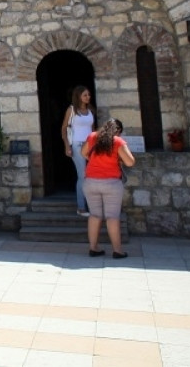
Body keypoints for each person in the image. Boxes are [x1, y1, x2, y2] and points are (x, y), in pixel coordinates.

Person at [82, 119, 135, 258]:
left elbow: (83, 153)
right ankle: (117, 250)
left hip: (91, 181)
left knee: (94, 215)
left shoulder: (93, 136)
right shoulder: (117, 141)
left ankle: (93, 248)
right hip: (111, 183)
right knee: (112, 216)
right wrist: (118, 158)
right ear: (118, 131)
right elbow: (130, 162)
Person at [61, 85, 95, 216]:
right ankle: (81, 207)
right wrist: (67, 146)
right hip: (77, 144)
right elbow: (64, 128)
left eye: (89, 95)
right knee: (83, 175)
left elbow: (92, 129)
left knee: (91, 175)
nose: (88, 97)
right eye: (85, 95)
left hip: (89, 145)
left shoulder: (90, 110)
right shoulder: (71, 110)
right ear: (78, 96)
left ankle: (91, 204)